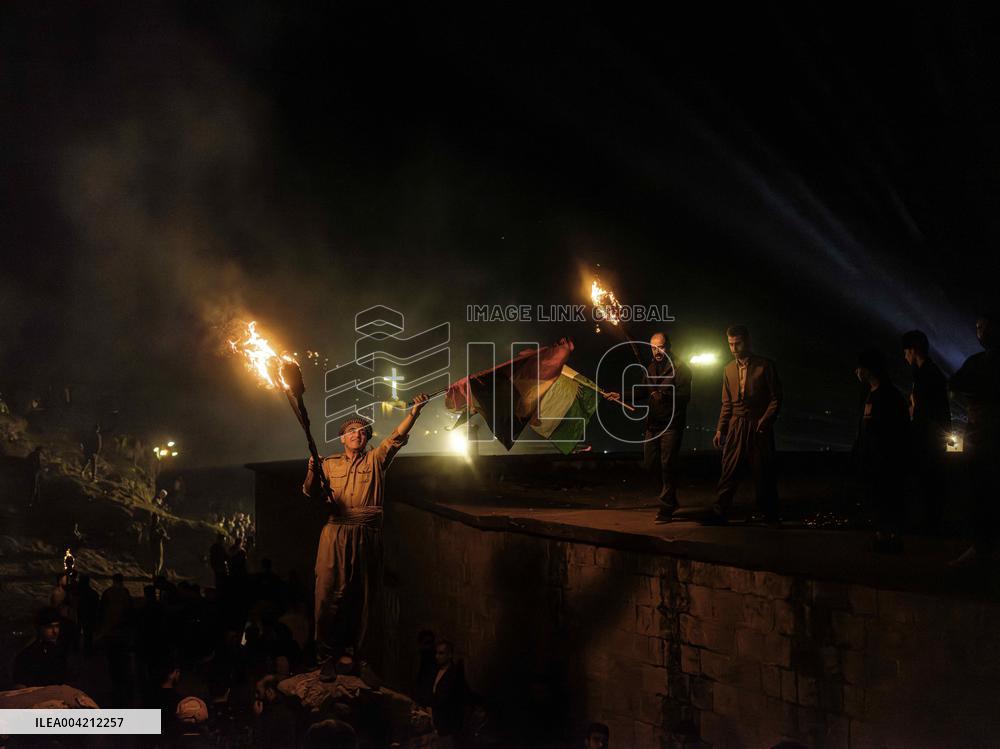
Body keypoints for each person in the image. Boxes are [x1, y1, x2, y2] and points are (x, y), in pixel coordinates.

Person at [302, 394, 429, 668]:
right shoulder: (328, 463)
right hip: (335, 533)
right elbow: (310, 493)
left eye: (362, 432)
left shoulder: (375, 460)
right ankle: (325, 657)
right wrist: (312, 470)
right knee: (327, 595)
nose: (357, 434)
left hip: (366, 534)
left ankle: (363, 660)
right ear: (342, 438)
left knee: (365, 597)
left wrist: (415, 412)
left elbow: (396, 437)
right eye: (351, 431)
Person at [710, 325, 783, 525]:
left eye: (738, 343)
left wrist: (764, 421)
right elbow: (727, 403)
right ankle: (719, 512)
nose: (734, 348)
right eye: (731, 344)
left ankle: (770, 515)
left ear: (748, 341)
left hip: (758, 423)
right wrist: (720, 429)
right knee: (729, 469)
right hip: (736, 423)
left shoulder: (765, 366)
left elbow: (776, 398)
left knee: (763, 470)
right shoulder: (728, 369)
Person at [949, 309, 1000, 567]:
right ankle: (982, 547)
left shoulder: (977, 363)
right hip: (978, 437)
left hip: (983, 437)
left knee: (982, 492)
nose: (979, 331)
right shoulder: (976, 362)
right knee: (979, 492)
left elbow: (955, 387)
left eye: (983, 326)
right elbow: (954, 386)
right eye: (978, 327)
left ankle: (982, 548)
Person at [855, 348, 910, 552]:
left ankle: (891, 538)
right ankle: (884, 535)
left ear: (868, 370)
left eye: (859, 368)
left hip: (886, 461)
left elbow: (896, 431)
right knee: (879, 499)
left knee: (888, 498)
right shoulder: (872, 393)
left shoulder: (888, 396)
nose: (857, 372)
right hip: (874, 460)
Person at [637, 332, 692, 523]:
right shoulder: (651, 367)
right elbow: (643, 391)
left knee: (668, 465)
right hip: (653, 425)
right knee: (650, 464)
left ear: (668, 346)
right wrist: (620, 395)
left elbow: (685, 396)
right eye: (653, 348)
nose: (657, 351)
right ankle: (671, 499)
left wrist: (666, 395)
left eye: (660, 347)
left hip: (671, 424)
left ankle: (666, 508)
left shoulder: (681, 368)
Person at [901, 330, 952, 534]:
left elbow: (925, 411)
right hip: (932, 438)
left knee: (928, 483)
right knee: (930, 484)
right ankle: (931, 522)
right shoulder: (930, 373)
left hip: (928, 440)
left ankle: (930, 525)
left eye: (906, 352)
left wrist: (914, 410)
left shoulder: (925, 375)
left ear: (913, 351)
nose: (905, 357)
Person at [12, 607, 68, 687]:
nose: (55, 631)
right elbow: (20, 685)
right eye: (49, 627)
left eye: (57, 626)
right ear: (39, 628)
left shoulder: (58, 650)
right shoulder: (26, 655)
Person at [430, 640, 465, 749]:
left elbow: (448, 699)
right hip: (437, 723)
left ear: (449, 655)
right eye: (436, 653)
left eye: (441, 653)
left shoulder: (454, 674)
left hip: (448, 726)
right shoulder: (435, 671)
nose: (437, 656)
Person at [414, 629, 438, 707]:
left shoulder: (432, 659)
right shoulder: (423, 657)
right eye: (426, 643)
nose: (429, 647)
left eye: (430, 643)